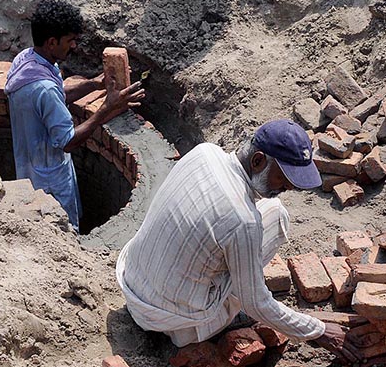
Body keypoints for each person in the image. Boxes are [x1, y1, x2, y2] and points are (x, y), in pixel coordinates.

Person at [116, 119, 362, 363]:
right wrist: (317, 330)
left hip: (132, 283)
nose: (288, 187)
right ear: (258, 161)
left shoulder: (204, 152)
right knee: (268, 227)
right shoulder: (242, 221)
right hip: (177, 325)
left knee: (274, 210)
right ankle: (210, 321)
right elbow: (256, 303)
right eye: (284, 178)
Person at [5, 0, 144, 231]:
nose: (74, 46)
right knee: (63, 232)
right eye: (70, 41)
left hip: (30, 168)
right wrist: (107, 108)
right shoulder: (44, 89)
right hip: (50, 184)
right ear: (52, 42)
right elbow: (67, 141)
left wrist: (94, 84)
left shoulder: (27, 61)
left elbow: (56, 94)